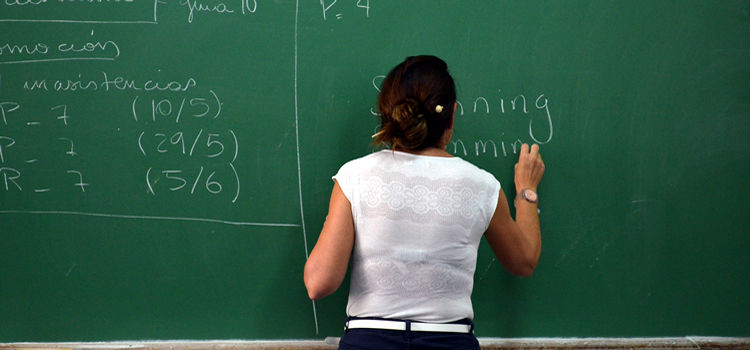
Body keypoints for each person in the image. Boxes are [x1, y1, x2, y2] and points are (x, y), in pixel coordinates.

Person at [304, 55, 545, 350]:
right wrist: (527, 191)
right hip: (450, 341)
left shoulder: (355, 177)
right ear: (452, 116)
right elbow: (524, 261)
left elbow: (319, 283)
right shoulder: (483, 186)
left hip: (369, 340)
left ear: (389, 115)